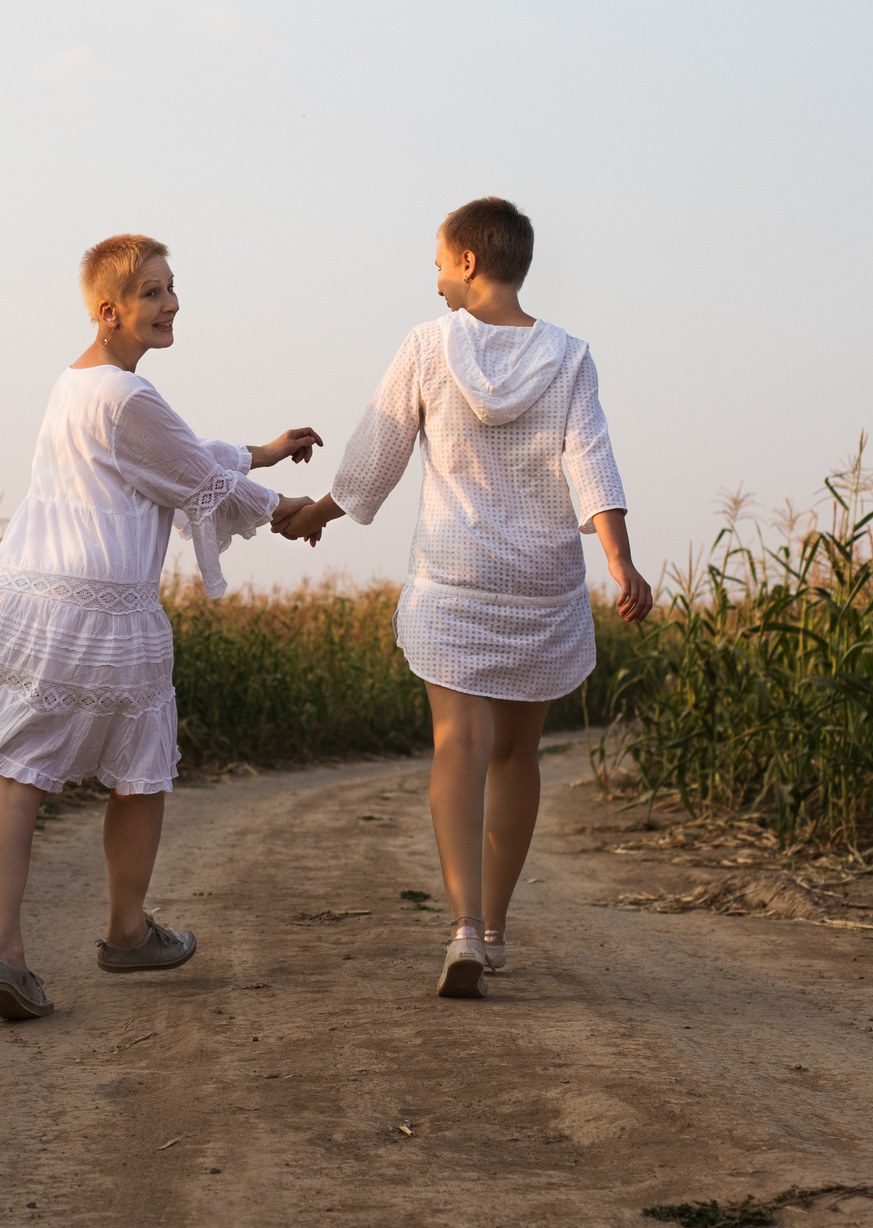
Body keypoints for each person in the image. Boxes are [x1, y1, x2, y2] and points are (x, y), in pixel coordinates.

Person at [0, 234, 321, 1022]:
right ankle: (127, 931)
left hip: (26, 596)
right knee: (140, 769)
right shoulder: (131, 398)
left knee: (19, 773)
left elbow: (185, 459)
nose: (172, 304)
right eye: (155, 292)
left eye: (171, 288)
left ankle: (8, 955)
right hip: (104, 610)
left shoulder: (77, 384)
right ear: (110, 309)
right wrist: (291, 514)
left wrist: (261, 453)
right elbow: (197, 477)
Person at [278, 196, 651, 997]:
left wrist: (314, 513)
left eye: (440, 262)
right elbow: (592, 462)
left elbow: (375, 455)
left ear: (471, 262)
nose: (436, 277)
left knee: (459, 747)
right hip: (539, 583)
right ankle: (498, 926)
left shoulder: (427, 345)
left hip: (455, 579)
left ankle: (463, 929)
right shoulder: (570, 356)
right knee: (516, 755)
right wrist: (620, 562)